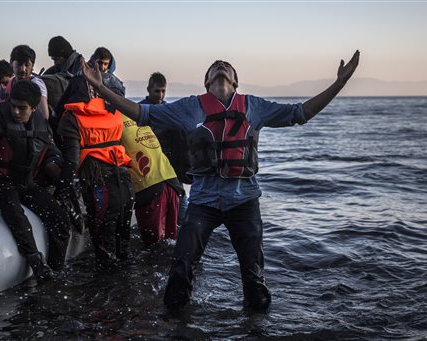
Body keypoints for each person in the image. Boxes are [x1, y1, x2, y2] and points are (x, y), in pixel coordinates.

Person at [81, 50, 360, 311]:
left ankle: (256, 326)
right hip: (203, 201)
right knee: (180, 272)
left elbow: (301, 113)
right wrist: (102, 89)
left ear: (235, 81)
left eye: (226, 67)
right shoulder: (190, 108)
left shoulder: (254, 106)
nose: (221, 67)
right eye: (215, 67)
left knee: (255, 281)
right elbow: (141, 113)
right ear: (207, 82)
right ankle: (176, 325)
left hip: (245, 201)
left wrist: (339, 84)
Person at [0, 80, 71, 281]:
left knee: (59, 217)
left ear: (32, 108)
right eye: (13, 105)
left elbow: (52, 153)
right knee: (14, 210)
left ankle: (57, 269)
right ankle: (36, 262)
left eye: (22, 108)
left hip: (26, 183)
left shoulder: (42, 126)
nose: (15, 112)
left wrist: (62, 181)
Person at [55, 72, 134, 269]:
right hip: (125, 183)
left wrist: (62, 192)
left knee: (104, 252)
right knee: (123, 248)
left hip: (101, 187)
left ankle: (108, 294)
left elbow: (72, 162)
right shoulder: (112, 112)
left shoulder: (72, 117)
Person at [121, 96, 184, 246]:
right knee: (171, 242)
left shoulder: (110, 120)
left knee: (153, 246)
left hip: (150, 187)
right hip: (172, 181)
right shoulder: (137, 113)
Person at [140, 72, 191, 226]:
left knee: (182, 209)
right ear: (149, 89)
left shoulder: (170, 111)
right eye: (157, 91)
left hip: (171, 169)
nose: (160, 95)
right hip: (149, 169)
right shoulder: (139, 110)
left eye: (163, 91)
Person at [5, 45, 50, 120]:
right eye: (19, 64)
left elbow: (44, 116)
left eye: (27, 65)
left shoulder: (36, 83)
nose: (23, 69)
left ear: (32, 66)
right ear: (11, 63)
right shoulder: (10, 83)